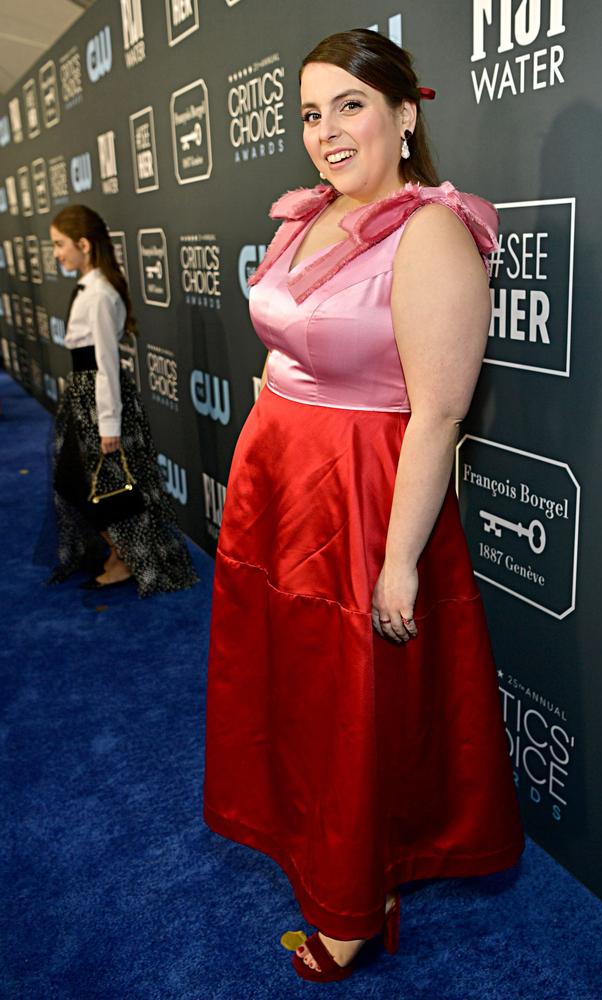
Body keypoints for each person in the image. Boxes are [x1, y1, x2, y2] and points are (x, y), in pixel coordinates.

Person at [203, 28, 525, 983]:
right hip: (282, 487)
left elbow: (440, 413)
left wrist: (397, 560)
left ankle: (354, 903)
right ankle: (313, 839)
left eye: (350, 105)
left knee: (356, 698)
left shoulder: (433, 230)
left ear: (405, 114)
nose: (327, 131)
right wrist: (261, 444)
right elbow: (283, 343)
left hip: (363, 498)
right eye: (311, 113)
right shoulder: (306, 217)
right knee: (298, 687)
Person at [48, 204, 198, 598]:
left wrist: (109, 424)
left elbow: (105, 365)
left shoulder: (98, 294)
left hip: (98, 403)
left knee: (104, 484)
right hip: (84, 400)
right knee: (80, 481)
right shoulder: (89, 287)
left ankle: (124, 558)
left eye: (60, 244)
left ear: (83, 243)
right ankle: (121, 553)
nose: (56, 254)